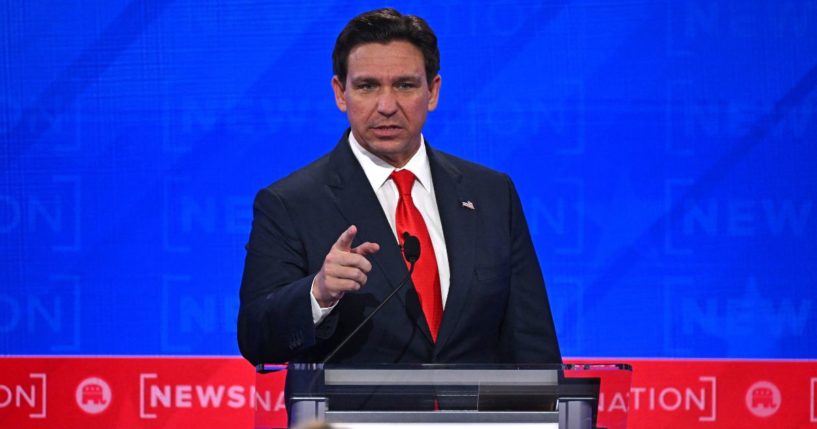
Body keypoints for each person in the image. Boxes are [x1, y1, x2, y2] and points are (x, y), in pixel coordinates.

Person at [238, 7, 561, 395]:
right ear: (341, 93)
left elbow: (531, 342)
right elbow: (255, 337)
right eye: (367, 86)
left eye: (405, 85)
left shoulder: (491, 193)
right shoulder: (290, 202)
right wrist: (318, 293)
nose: (387, 105)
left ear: (433, 91)